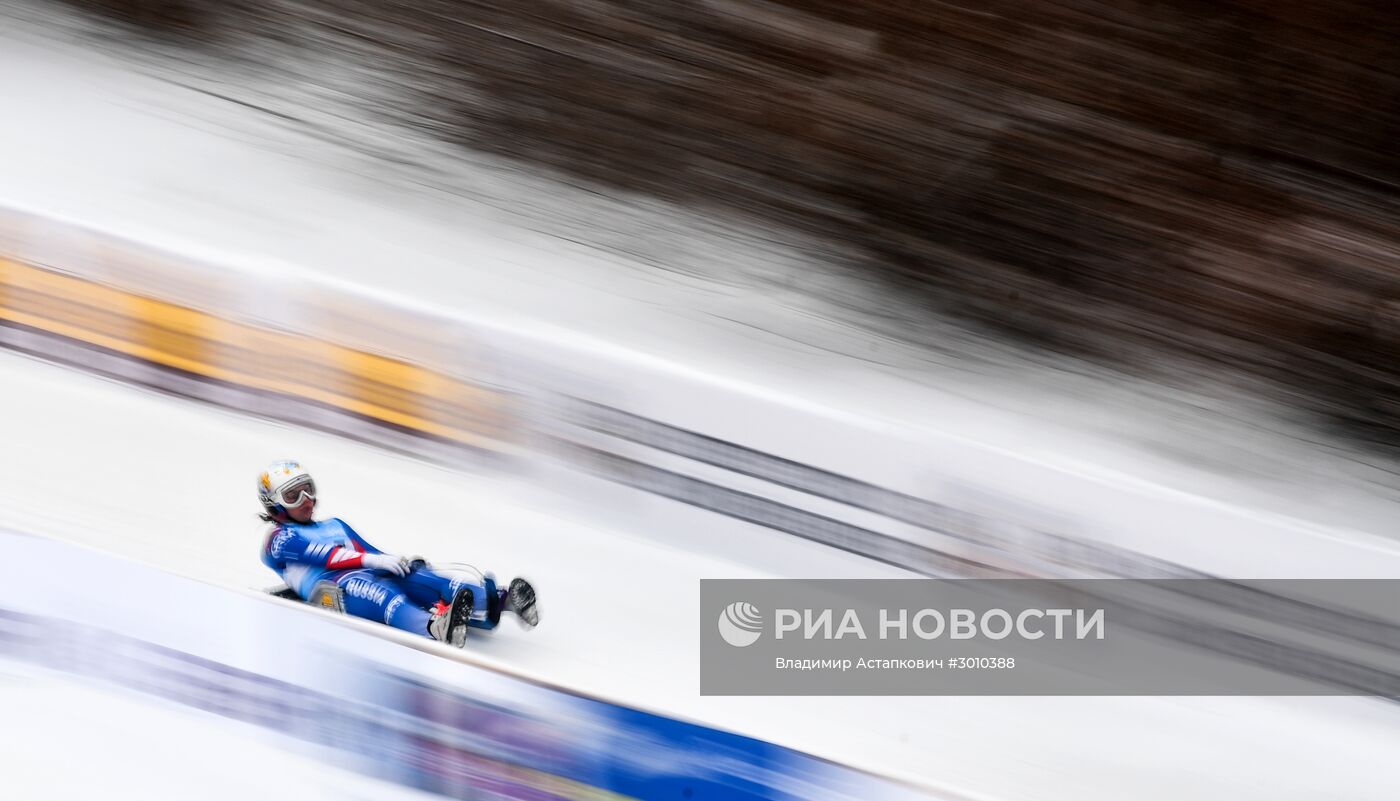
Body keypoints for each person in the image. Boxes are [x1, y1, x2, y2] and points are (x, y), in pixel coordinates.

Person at [257, 460, 538, 647]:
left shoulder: (335, 524)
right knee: (378, 591)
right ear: (275, 505)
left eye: (308, 490)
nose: (306, 500)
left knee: (418, 577)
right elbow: (323, 555)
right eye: (294, 495)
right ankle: (433, 627)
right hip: (334, 586)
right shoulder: (277, 539)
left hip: (364, 569)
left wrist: (397, 563)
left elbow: (370, 552)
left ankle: (496, 601)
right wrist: (374, 561)